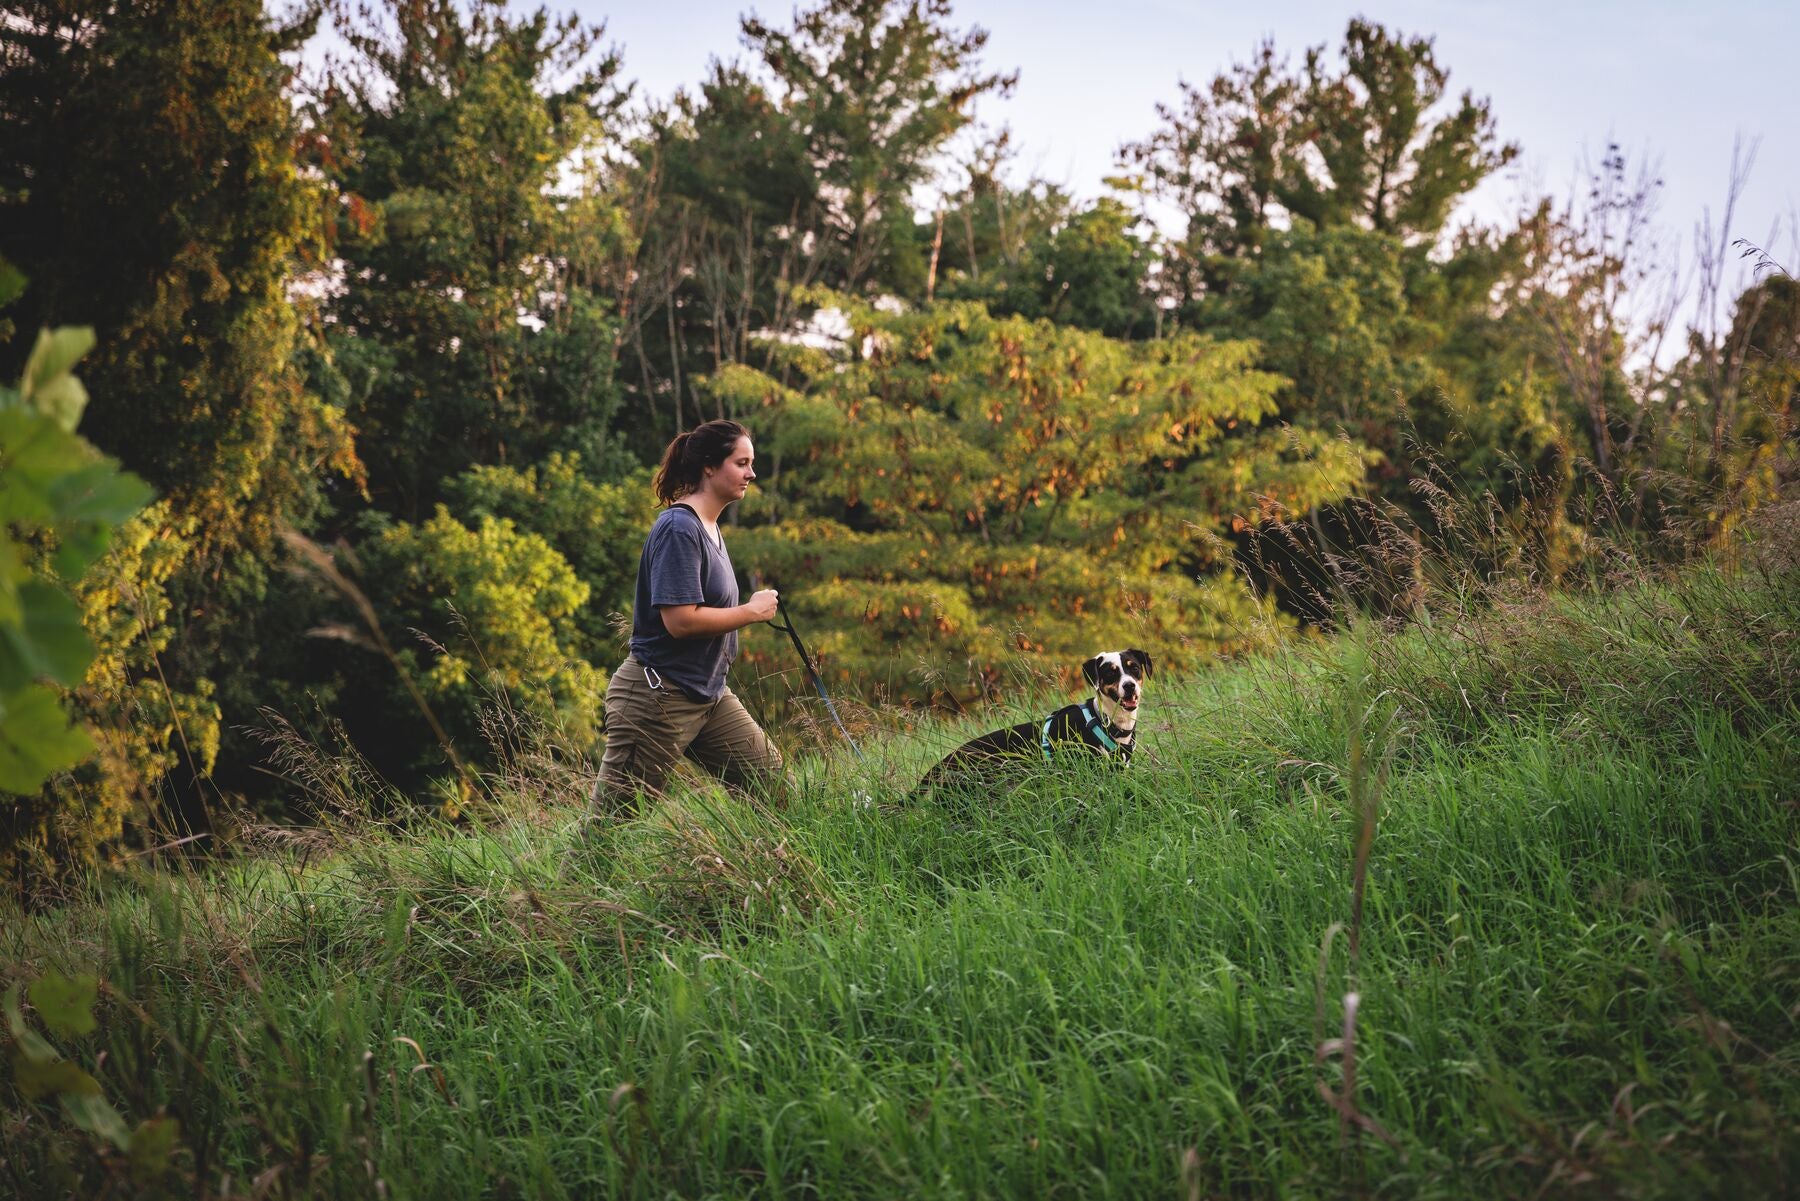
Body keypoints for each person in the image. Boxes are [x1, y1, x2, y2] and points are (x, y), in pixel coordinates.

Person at [588, 418, 786, 821]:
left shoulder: (710, 527)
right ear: (709, 466)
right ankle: (564, 872)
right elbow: (680, 621)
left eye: (751, 463)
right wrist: (750, 612)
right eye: (741, 463)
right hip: (658, 697)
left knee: (777, 791)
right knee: (611, 827)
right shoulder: (679, 528)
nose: (751, 473)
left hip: (708, 695)